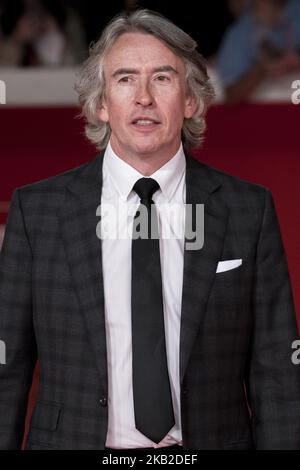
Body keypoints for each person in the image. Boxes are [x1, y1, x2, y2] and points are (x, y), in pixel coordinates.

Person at [0, 8, 299, 451]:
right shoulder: (37, 212)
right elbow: (7, 371)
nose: (143, 97)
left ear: (191, 99)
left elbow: (278, 374)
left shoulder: (246, 209)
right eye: (124, 79)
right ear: (101, 104)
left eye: (162, 78)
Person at [217, 0, 300, 103]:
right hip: (276, 106)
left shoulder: (296, 11)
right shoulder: (240, 33)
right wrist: (263, 69)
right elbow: (231, 95)